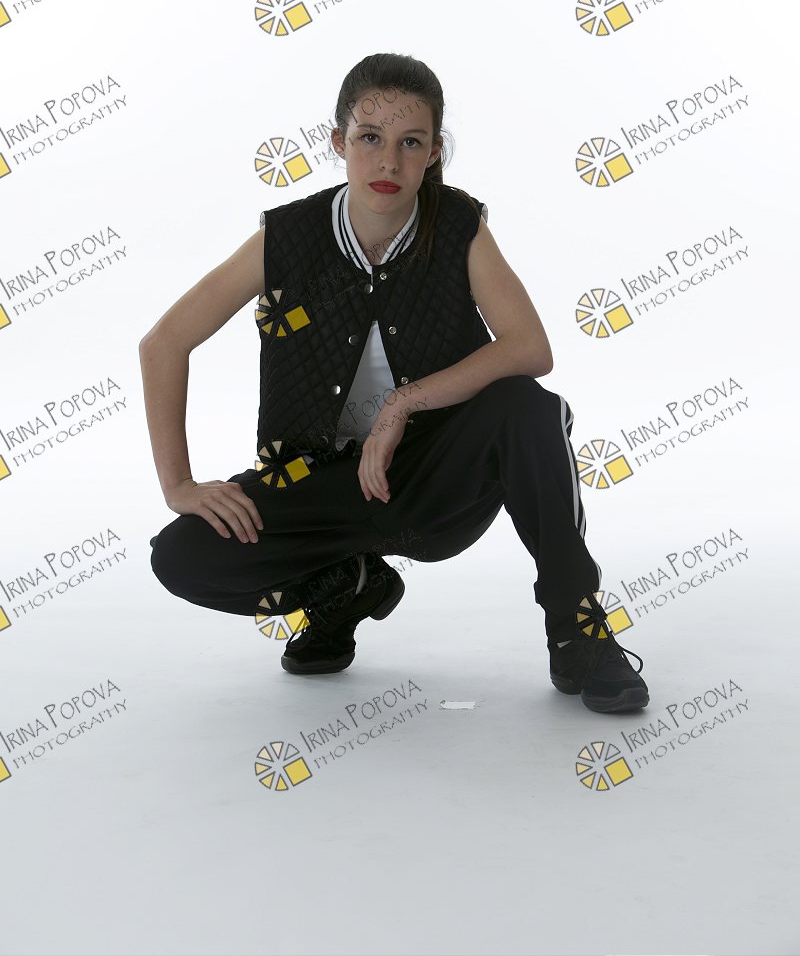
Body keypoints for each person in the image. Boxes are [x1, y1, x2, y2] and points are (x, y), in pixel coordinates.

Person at [142, 52, 649, 714]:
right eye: (369, 138)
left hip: (431, 477)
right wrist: (179, 485)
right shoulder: (287, 237)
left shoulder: (458, 226)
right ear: (338, 143)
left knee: (526, 406)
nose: (389, 161)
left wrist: (404, 404)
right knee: (180, 555)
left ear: (434, 152)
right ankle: (343, 587)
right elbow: (164, 344)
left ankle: (577, 629)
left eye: (411, 142)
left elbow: (530, 348)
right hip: (313, 484)